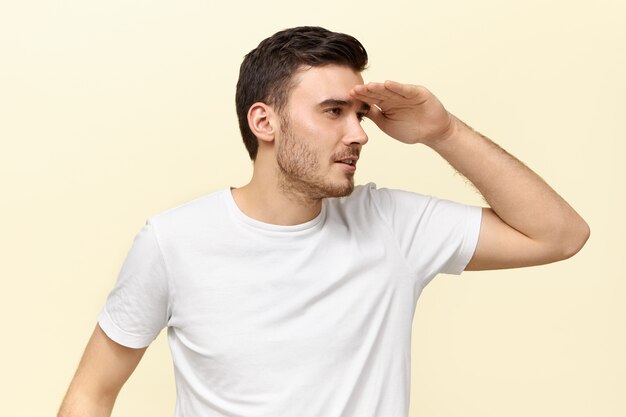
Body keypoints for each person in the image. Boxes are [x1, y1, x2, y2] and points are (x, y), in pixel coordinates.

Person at [57, 26, 589, 417]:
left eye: (359, 115)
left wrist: (443, 131)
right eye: (334, 112)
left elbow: (561, 235)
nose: (359, 133)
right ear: (264, 121)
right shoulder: (173, 242)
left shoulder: (393, 226)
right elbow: (90, 393)